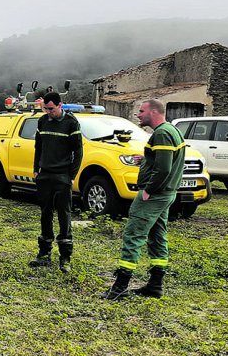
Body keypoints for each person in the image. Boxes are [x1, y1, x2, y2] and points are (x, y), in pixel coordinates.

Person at [103, 99, 185, 300]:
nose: (138, 115)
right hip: (166, 193)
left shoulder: (162, 134)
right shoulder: (171, 131)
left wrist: (149, 189)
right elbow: (164, 160)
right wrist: (146, 159)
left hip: (156, 194)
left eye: (141, 111)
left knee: (133, 235)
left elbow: (164, 168)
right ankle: (155, 285)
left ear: (154, 112)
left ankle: (119, 286)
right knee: (157, 236)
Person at [29, 91, 83, 273]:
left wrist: (72, 175)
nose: (48, 112)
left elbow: (78, 152)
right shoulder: (42, 121)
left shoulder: (71, 123)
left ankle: (65, 257)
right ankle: (44, 254)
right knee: (45, 214)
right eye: (46, 108)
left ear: (60, 105)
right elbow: (38, 146)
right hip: (44, 175)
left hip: (62, 176)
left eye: (51, 109)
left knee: (64, 216)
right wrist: (36, 169)